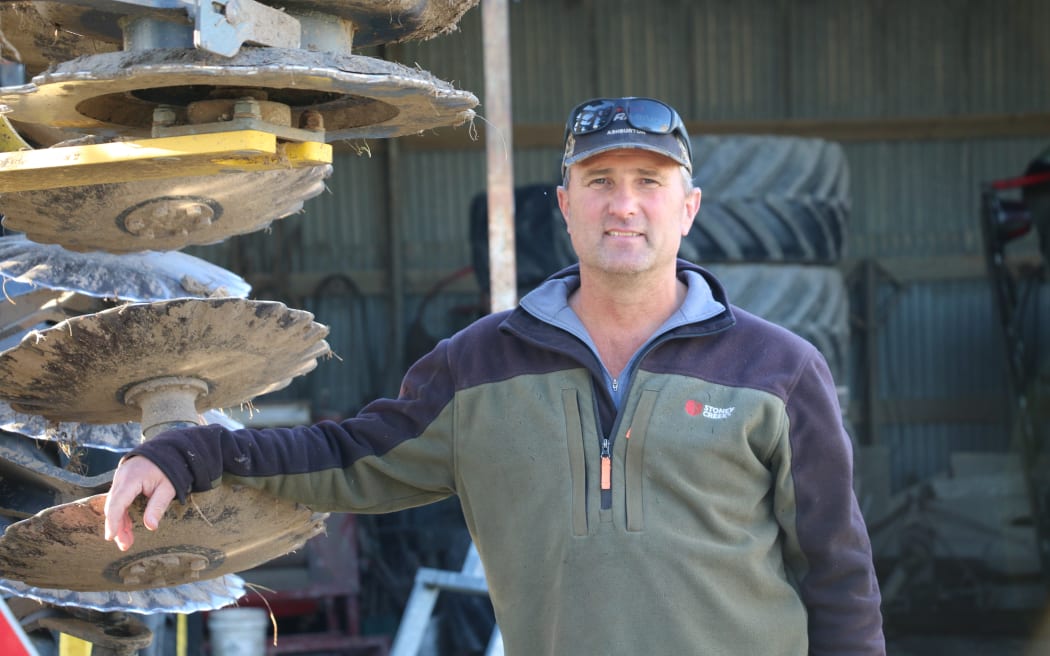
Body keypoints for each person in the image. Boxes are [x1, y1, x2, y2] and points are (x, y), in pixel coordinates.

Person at [104, 96, 886, 655]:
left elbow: (837, 569)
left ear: (688, 208)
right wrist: (193, 449)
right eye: (600, 182)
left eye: (650, 182)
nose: (625, 205)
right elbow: (349, 454)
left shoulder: (778, 369)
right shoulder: (482, 363)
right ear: (565, 206)